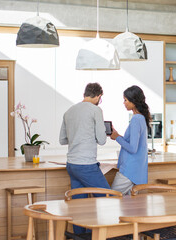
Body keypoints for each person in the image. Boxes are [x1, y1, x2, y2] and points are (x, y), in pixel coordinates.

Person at [59, 82, 109, 233]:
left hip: (72, 165)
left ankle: (82, 236)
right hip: (86, 165)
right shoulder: (96, 110)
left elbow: (62, 140)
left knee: (79, 205)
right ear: (99, 96)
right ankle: (106, 235)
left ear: (85, 94)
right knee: (109, 198)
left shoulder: (69, 111)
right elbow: (102, 139)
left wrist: (77, 136)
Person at [110, 85, 150, 195]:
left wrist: (117, 137)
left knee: (112, 198)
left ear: (134, 101)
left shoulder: (136, 119)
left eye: (125, 100)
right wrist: (117, 135)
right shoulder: (141, 118)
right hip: (137, 170)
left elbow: (132, 148)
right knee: (130, 206)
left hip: (129, 171)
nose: (124, 103)